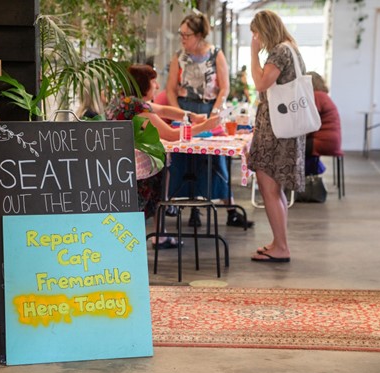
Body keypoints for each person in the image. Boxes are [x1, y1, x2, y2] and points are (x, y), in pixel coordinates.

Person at [105, 64, 220, 249]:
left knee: (164, 166)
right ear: (143, 84)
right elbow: (171, 135)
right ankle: (155, 234)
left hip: (115, 167)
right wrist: (205, 126)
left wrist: (192, 116)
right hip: (133, 174)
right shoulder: (136, 106)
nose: (157, 86)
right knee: (163, 168)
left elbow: (164, 111)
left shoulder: (124, 101)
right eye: (153, 82)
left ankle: (160, 233)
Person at [166, 12, 253, 229]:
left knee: (214, 160)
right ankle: (181, 204)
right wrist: (178, 115)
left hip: (208, 110)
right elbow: (170, 89)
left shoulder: (215, 54)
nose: (182, 39)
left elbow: (224, 87)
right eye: (181, 35)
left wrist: (215, 111)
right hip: (186, 110)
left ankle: (230, 209)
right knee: (182, 158)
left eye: (186, 35)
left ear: (198, 35)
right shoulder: (179, 56)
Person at [248, 10, 307, 263]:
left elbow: (261, 83)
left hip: (276, 130)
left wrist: (252, 52)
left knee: (268, 186)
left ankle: (281, 247)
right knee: (275, 189)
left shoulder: (280, 51)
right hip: (282, 126)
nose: (256, 38)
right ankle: (278, 241)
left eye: (257, 33)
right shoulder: (290, 48)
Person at [305, 71, 341, 176]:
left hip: (323, 142)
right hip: (331, 141)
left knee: (292, 148)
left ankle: (299, 184)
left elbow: (310, 122)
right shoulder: (323, 96)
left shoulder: (316, 96)